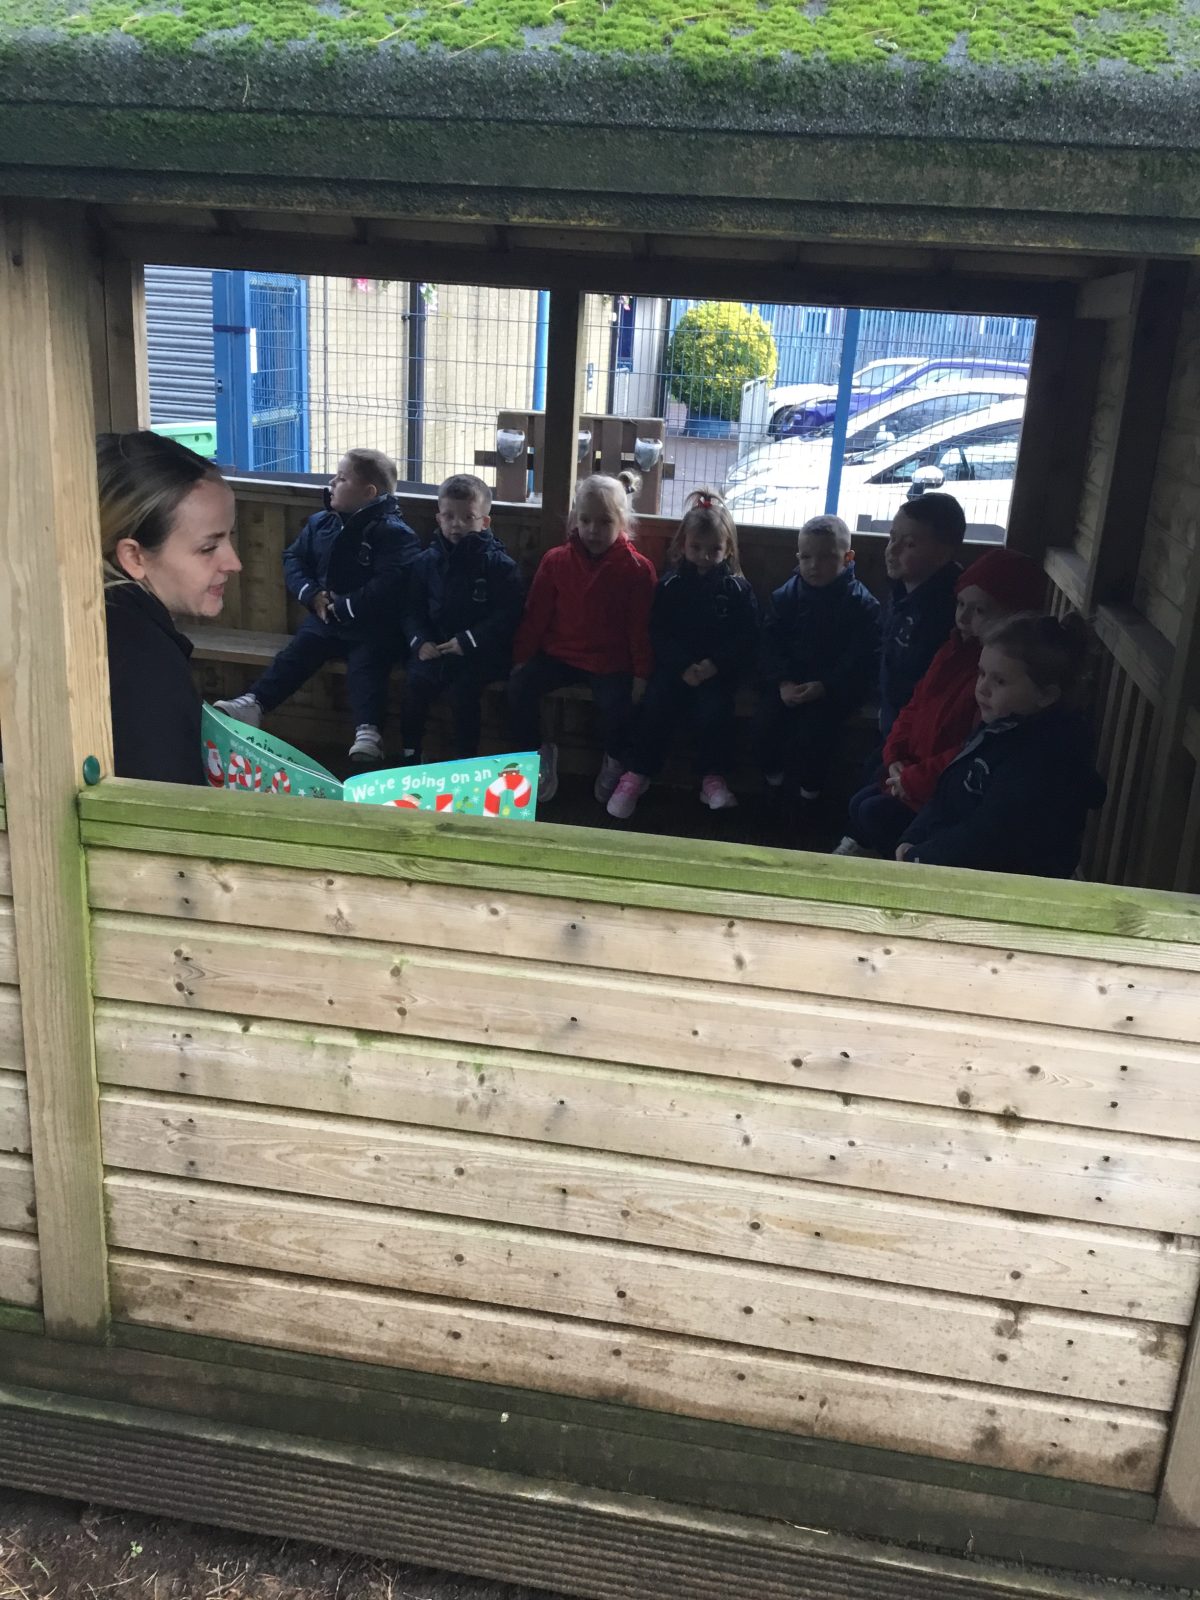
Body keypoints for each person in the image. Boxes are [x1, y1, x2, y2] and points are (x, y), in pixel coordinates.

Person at [834, 547, 1045, 858]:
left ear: (1012, 615)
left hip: (936, 785)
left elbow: (966, 749)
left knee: (873, 812)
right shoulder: (952, 649)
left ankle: (896, 862)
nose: (963, 617)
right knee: (861, 798)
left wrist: (912, 779)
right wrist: (895, 754)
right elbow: (915, 704)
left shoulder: (994, 675)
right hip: (914, 766)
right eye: (960, 604)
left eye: (980, 610)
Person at [215, 449, 418, 764]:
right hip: (325, 618)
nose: (332, 482)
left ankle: (369, 732)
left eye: (342, 478)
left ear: (369, 492)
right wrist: (311, 594)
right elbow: (294, 558)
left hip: (373, 625)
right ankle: (254, 704)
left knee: (368, 664)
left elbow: (392, 582)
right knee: (298, 652)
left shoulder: (394, 534)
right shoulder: (321, 523)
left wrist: (347, 606)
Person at [896, 613, 1106, 877]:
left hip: (1009, 883)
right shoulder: (999, 728)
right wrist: (913, 837)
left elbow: (990, 834)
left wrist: (921, 857)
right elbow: (947, 794)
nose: (982, 688)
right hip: (956, 861)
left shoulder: (1044, 760)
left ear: (1045, 696)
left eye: (1000, 681)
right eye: (982, 673)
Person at [99, 430, 241, 785]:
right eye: (208, 548)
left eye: (230, 538)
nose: (234, 563)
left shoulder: (100, 621)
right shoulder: (142, 661)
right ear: (134, 556)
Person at [606, 489, 757, 820]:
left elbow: (746, 637)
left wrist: (715, 665)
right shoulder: (670, 586)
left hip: (716, 673)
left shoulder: (737, 590)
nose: (704, 556)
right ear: (682, 546)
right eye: (696, 548)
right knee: (655, 705)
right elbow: (658, 631)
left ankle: (711, 778)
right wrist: (681, 665)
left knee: (715, 711)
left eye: (714, 549)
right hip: (674, 670)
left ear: (728, 549)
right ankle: (638, 772)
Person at [508, 473, 656, 805]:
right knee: (519, 687)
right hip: (559, 654)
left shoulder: (636, 569)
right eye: (585, 520)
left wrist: (641, 675)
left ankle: (614, 760)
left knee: (619, 706)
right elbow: (536, 616)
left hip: (609, 661)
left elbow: (640, 628)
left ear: (622, 522)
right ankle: (536, 754)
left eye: (604, 522)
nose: (592, 530)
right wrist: (521, 658)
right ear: (575, 519)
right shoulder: (556, 560)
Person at [753, 514, 880, 804]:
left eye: (826, 557)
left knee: (816, 736)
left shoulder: (861, 605)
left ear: (847, 558)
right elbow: (770, 644)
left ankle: (809, 796)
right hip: (789, 685)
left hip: (833, 690)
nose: (813, 565)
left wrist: (827, 686)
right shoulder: (786, 597)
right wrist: (782, 682)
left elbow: (862, 657)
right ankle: (773, 784)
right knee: (763, 727)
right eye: (807, 557)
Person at [400, 474, 524, 763]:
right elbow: (411, 608)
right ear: (439, 518)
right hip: (435, 648)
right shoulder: (425, 562)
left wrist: (469, 641)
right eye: (449, 516)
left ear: (485, 522)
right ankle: (409, 754)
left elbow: (509, 614)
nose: (457, 524)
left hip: (479, 654)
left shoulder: (500, 566)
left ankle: (464, 762)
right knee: (415, 685)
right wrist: (420, 641)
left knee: (463, 694)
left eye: (468, 517)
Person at [878, 492, 967, 739]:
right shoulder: (900, 590)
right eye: (892, 538)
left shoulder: (949, 610)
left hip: (918, 729)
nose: (892, 550)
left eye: (909, 544)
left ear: (942, 555)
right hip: (892, 716)